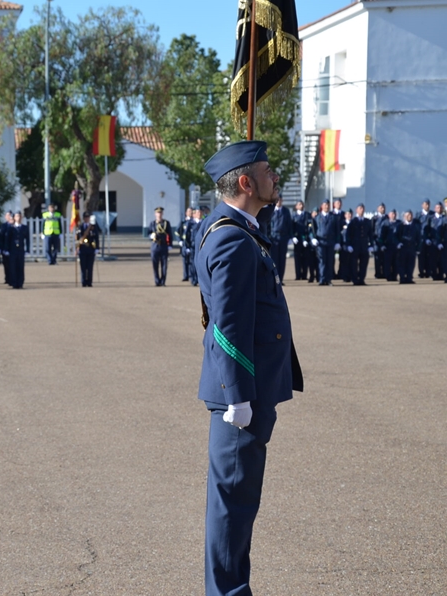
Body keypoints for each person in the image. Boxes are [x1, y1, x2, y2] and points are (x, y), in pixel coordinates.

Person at [197, 140, 303, 596]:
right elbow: (228, 326)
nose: (275, 175)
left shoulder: (237, 229)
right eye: (267, 169)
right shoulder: (232, 240)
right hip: (240, 397)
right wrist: (238, 395)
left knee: (238, 504)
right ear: (245, 182)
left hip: (247, 390)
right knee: (233, 507)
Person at [346, 204, 374, 285]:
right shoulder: (353, 221)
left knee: (364, 263)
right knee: (354, 264)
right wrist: (349, 245)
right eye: (360, 208)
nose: (362, 210)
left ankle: (361, 279)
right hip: (355, 246)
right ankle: (355, 279)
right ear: (356, 210)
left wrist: (371, 245)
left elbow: (370, 235)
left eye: (363, 208)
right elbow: (348, 234)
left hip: (364, 246)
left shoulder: (367, 221)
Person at [312, 200, 338, 285]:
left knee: (330, 261)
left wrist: (338, 242)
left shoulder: (333, 217)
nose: (327, 206)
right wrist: (313, 238)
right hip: (321, 242)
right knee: (322, 261)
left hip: (330, 241)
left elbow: (337, 230)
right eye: (325, 205)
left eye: (328, 205)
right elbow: (313, 229)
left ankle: (329, 279)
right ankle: (322, 279)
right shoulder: (317, 217)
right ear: (322, 206)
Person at [146, 207, 171, 286]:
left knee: (164, 265)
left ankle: (163, 281)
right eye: (157, 213)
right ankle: (157, 281)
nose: (159, 214)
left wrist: (170, 245)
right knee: (155, 264)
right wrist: (151, 236)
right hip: (155, 246)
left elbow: (170, 234)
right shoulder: (152, 224)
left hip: (163, 245)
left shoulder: (166, 223)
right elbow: (148, 233)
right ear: (155, 214)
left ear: (162, 214)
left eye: (160, 213)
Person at [269, 197, 292, 282]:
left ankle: (281, 279)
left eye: (280, 200)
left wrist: (290, 237)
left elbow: (289, 224)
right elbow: (268, 224)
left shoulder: (286, 211)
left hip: (283, 237)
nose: (278, 202)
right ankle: (275, 278)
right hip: (274, 237)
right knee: (274, 259)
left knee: (282, 259)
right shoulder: (271, 210)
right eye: (277, 200)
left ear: (282, 200)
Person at [5, 211, 29, 289]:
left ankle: (20, 282)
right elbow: (7, 239)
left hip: (21, 249)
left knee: (20, 266)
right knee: (13, 267)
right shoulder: (11, 228)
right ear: (14, 218)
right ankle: (14, 282)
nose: (18, 218)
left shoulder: (24, 227)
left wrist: (27, 250)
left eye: (19, 216)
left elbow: (27, 239)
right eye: (16, 216)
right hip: (13, 250)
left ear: (21, 217)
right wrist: (7, 249)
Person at [76, 212, 100, 287]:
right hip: (82, 248)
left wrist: (97, 248)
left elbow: (96, 238)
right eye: (85, 217)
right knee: (83, 267)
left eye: (88, 217)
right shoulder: (80, 226)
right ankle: (83, 282)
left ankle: (89, 282)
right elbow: (78, 238)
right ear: (83, 218)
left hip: (90, 248)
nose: (87, 218)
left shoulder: (93, 227)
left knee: (90, 267)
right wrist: (77, 248)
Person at [397, 210, 420, 284]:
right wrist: (398, 243)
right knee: (402, 263)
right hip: (403, 247)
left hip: (412, 248)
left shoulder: (415, 226)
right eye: (407, 215)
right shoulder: (400, 226)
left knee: (411, 263)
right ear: (404, 216)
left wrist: (418, 248)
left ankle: (409, 278)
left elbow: (418, 238)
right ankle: (402, 278)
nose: (409, 217)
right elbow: (395, 236)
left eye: (410, 215)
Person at [291, 201, 311, 281]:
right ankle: (298, 275)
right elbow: (291, 227)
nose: (301, 205)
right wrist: (293, 237)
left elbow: (309, 226)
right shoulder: (293, 216)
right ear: (296, 206)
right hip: (297, 239)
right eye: (299, 204)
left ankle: (304, 274)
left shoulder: (307, 215)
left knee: (305, 257)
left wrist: (307, 238)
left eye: (302, 204)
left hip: (305, 239)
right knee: (297, 258)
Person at [379, 209, 400, 282]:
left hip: (396, 247)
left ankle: (394, 276)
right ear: (389, 215)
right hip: (388, 246)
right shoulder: (385, 223)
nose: (393, 215)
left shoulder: (399, 223)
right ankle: (388, 276)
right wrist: (382, 245)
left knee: (396, 262)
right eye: (392, 214)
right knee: (388, 262)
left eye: (394, 214)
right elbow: (381, 236)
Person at [415, 199, 433, 278]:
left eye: (428, 204)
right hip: (421, 239)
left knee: (430, 256)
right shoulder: (419, 215)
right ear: (422, 205)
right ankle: (422, 272)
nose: (427, 206)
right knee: (421, 256)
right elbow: (416, 227)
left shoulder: (432, 214)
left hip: (430, 239)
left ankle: (429, 271)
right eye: (426, 204)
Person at [372, 203, 388, 279]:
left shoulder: (387, 218)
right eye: (381, 207)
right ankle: (378, 273)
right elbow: (371, 230)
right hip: (377, 241)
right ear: (378, 208)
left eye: (384, 207)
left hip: (385, 241)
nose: (383, 209)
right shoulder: (374, 218)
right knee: (377, 259)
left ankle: (385, 273)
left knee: (385, 258)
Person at [177, 207, 193, 281]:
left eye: (191, 211)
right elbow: (177, 232)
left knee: (191, 260)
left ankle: (191, 275)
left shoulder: (193, 222)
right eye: (189, 211)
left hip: (191, 243)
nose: (190, 212)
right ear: (186, 213)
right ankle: (185, 276)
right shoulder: (183, 221)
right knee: (185, 260)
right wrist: (179, 240)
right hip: (184, 243)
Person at [0, 211, 13, 285]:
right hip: (4, 248)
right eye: (7, 215)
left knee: (12, 264)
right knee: (6, 264)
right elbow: (0, 237)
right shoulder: (3, 226)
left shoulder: (14, 226)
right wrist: (0, 248)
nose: (9, 217)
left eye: (10, 215)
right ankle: (7, 278)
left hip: (12, 248)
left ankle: (12, 278)